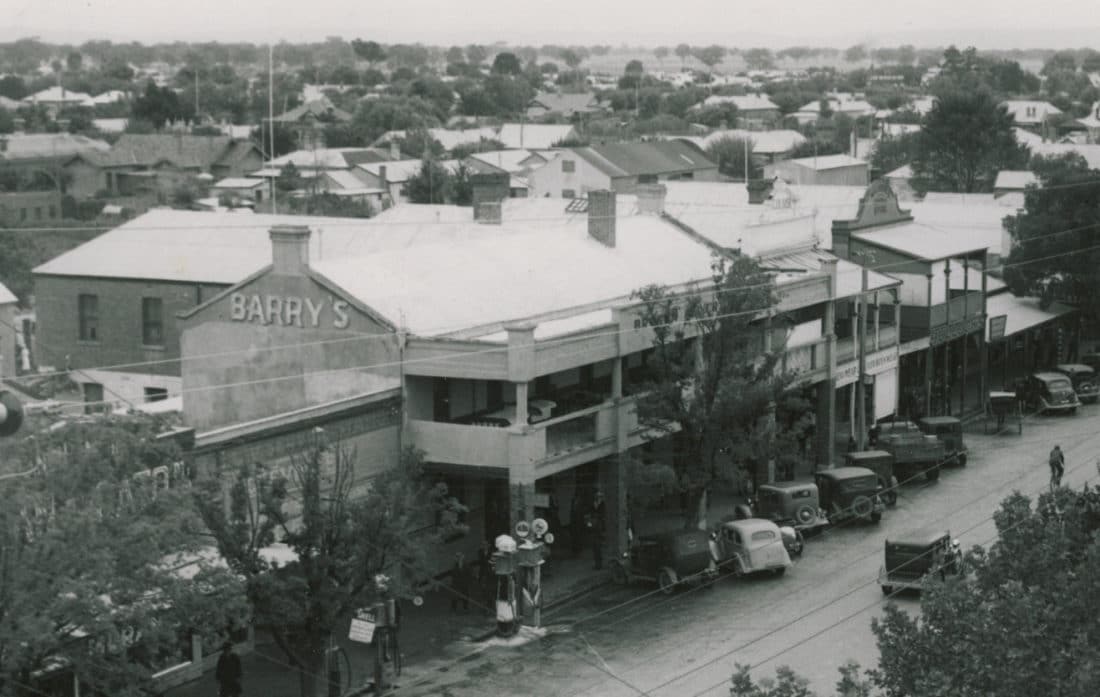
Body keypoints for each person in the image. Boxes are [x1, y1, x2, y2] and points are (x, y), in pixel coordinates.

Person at [586, 490, 607, 570]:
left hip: (600, 528)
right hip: (593, 528)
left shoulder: (603, 505)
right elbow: (589, 513)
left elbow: (603, 515)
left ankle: (600, 564)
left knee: (599, 546)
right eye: (597, 497)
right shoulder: (592, 504)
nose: (598, 498)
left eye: (600, 497)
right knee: (595, 547)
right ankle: (597, 563)